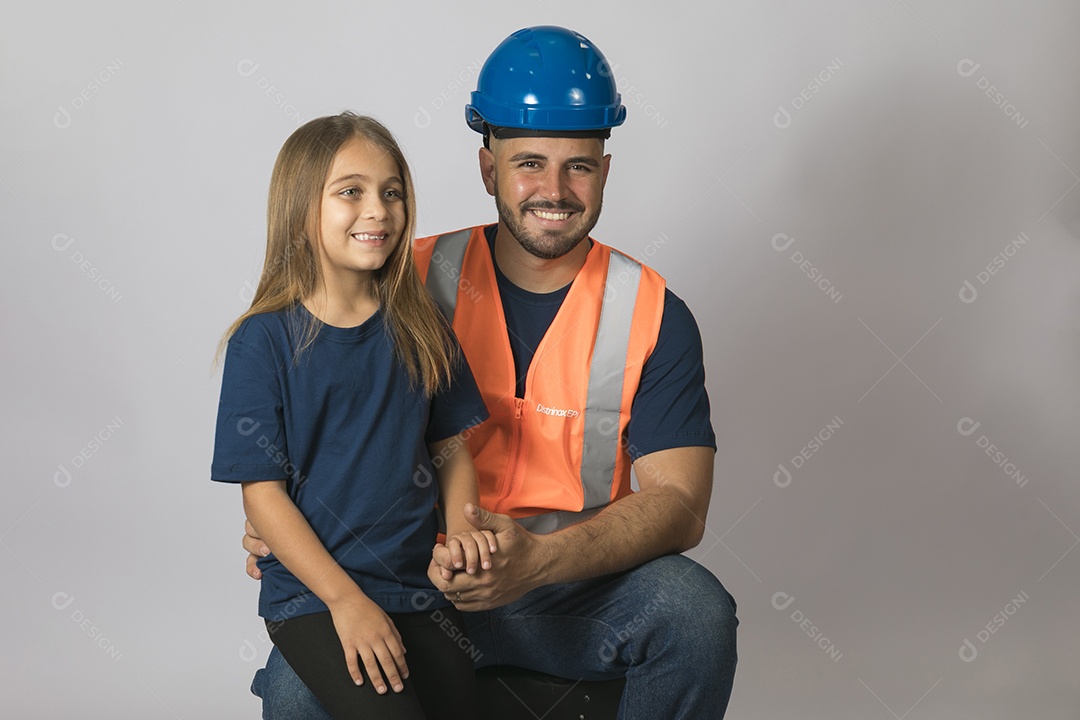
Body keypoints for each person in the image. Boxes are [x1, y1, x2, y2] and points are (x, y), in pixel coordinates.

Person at [246, 27, 738, 719]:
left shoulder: (653, 312)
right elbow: (296, 419)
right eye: (530, 162)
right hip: (407, 582)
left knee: (694, 612)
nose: (555, 189)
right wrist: (289, 529)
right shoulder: (400, 279)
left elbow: (681, 506)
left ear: (604, 169)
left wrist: (538, 560)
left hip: (568, 587)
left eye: (580, 166)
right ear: (488, 170)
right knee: (299, 696)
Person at [212, 112, 495, 720]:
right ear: (300, 208)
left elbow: (449, 449)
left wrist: (465, 530)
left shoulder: (422, 329)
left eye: (392, 192)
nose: (379, 210)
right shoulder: (262, 342)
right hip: (316, 599)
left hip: (418, 590)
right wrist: (345, 600)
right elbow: (263, 496)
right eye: (351, 192)